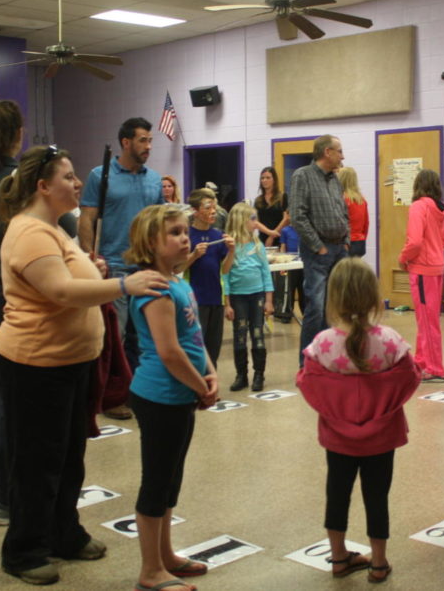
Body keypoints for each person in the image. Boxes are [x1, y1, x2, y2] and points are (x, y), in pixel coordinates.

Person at [0, 145, 166, 584]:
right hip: (36, 364)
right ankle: (24, 550)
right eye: (68, 177)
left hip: (69, 361)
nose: (76, 184)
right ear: (43, 186)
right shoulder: (30, 232)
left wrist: (96, 270)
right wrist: (123, 284)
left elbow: (73, 278)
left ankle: (64, 533)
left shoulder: (56, 228)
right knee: (37, 461)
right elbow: (63, 292)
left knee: (68, 455)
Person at [0, 100, 77, 525]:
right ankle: (9, 495)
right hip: (10, 293)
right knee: (13, 401)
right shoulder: (16, 180)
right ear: (15, 135)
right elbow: (64, 226)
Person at [297, 258, 421, 584]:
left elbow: (306, 382)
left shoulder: (322, 343)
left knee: (336, 494)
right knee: (376, 497)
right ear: (372, 297)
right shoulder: (391, 341)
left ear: (334, 297)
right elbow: (411, 377)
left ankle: (338, 557)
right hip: (382, 439)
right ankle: (378, 562)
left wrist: (335, 409)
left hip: (337, 439)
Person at [125, 204, 219, 591]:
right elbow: (168, 351)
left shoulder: (177, 279)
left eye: (185, 231)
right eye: (175, 233)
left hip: (182, 393)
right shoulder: (156, 287)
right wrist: (200, 385)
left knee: (171, 481)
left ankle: (165, 555)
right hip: (160, 395)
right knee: (157, 481)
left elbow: (193, 340)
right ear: (151, 242)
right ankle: (150, 571)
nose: (185, 238)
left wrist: (210, 371)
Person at [78, 117, 162, 419]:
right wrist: (90, 256)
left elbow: (159, 222)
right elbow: (86, 219)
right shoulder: (99, 176)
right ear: (126, 142)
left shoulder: (154, 179)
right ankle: (110, 398)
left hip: (147, 267)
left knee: (144, 337)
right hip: (113, 267)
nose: (148, 146)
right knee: (115, 338)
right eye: (143, 140)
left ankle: (138, 393)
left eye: (150, 140)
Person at [289, 135, 350, 364]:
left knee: (334, 307)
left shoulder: (335, 179)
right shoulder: (302, 176)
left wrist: (346, 240)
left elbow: (343, 211)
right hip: (318, 251)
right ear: (327, 152)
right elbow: (297, 216)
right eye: (339, 151)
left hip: (339, 249)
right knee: (315, 306)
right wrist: (318, 246)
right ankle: (307, 363)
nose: (342, 156)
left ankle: (329, 357)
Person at [398, 169, 444, 383]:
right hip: (436, 266)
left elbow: (415, 241)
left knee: (427, 321)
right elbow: (442, 240)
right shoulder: (440, 208)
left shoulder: (419, 206)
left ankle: (435, 368)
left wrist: (403, 258)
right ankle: (421, 361)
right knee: (426, 319)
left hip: (422, 269)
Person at [223, 202, 274, 392]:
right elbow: (225, 275)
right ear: (241, 220)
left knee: (258, 334)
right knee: (240, 335)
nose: (256, 223)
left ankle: (259, 374)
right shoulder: (230, 245)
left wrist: (269, 300)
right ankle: (241, 375)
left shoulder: (257, 245)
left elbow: (266, 272)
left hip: (257, 295)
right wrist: (227, 303)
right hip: (238, 298)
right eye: (253, 219)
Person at [181, 188, 235, 368]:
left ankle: (210, 384)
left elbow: (225, 269)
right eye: (207, 207)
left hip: (215, 299)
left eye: (214, 207)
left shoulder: (218, 236)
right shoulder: (186, 235)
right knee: (196, 346)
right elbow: (176, 269)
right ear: (195, 211)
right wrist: (194, 255)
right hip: (194, 300)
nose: (213, 211)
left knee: (213, 347)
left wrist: (232, 251)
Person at [254, 166, 289, 246]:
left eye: (268, 178)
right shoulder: (258, 200)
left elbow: (286, 219)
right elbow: (256, 221)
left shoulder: (282, 197)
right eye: (262, 178)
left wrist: (272, 236)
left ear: (274, 180)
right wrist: (269, 232)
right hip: (263, 238)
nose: (264, 180)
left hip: (280, 237)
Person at [338, 167, 369, 257]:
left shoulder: (341, 199)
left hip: (345, 243)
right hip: (360, 242)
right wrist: (362, 238)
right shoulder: (361, 200)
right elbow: (366, 224)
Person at [278, 223, 304, 322]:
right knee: (289, 289)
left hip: (303, 263)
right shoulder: (285, 230)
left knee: (304, 289)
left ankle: (305, 312)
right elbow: (283, 247)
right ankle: (287, 313)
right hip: (290, 264)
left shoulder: (304, 229)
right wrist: (282, 264)